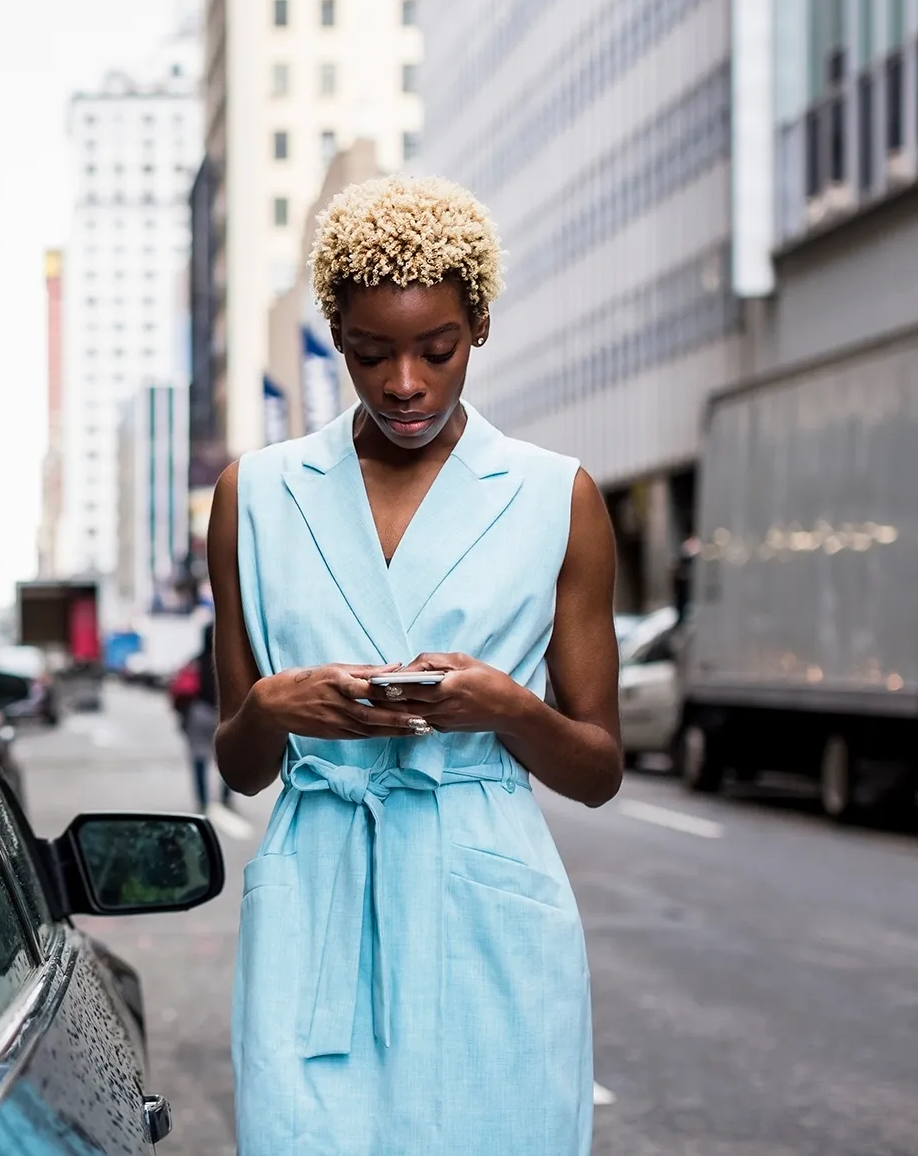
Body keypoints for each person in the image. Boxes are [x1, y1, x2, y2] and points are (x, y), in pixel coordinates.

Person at [209, 176, 621, 1156]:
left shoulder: (553, 496)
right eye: (367, 352)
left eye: (434, 350)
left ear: (475, 325)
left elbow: (597, 769)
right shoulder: (257, 495)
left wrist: (504, 707)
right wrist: (273, 704)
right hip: (317, 890)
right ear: (334, 337)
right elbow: (237, 766)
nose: (402, 382)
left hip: (487, 902)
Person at [170, 623, 231, 812]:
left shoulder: (195, 662)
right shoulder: (230, 662)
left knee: (198, 758)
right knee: (230, 757)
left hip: (199, 713)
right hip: (226, 714)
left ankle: (203, 800)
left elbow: (179, 690)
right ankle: (226, 797)